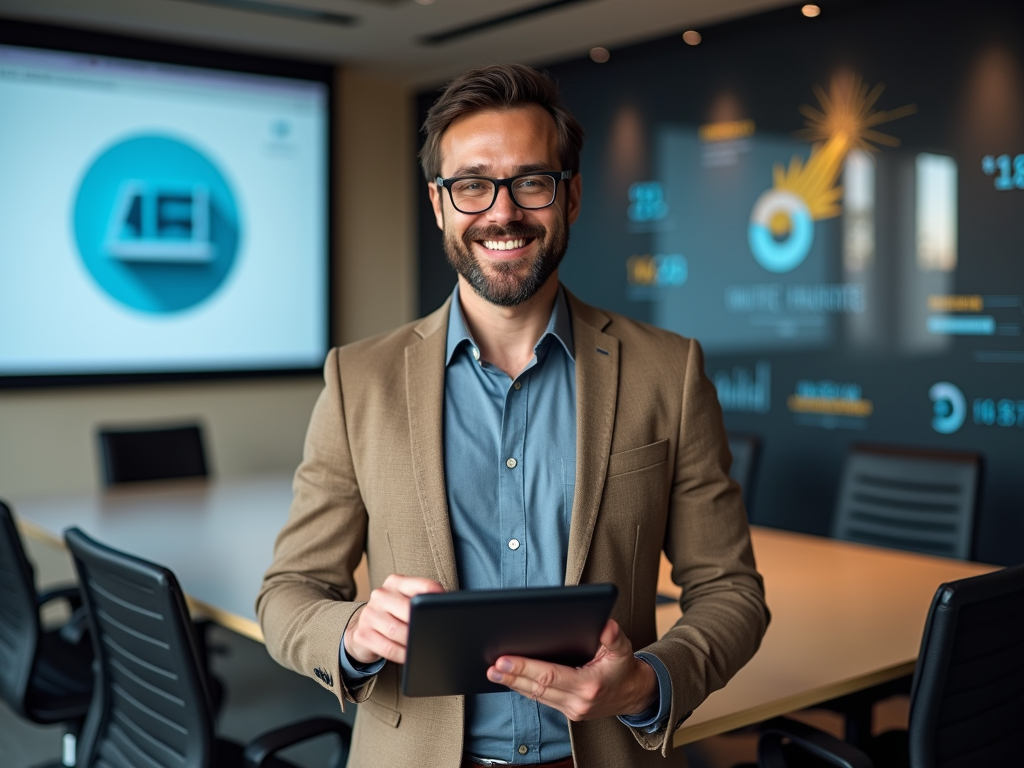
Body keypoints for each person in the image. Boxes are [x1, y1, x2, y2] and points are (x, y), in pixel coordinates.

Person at [257, 63, 769, 768]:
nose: (502, 213)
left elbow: (730, 591)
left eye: (531, 181)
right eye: (471, 185)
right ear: (439, 205)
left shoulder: (667, 371)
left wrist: (648, 681)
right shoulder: (359, 380)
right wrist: (352, 631)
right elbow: (289, 594)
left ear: (572, 196)